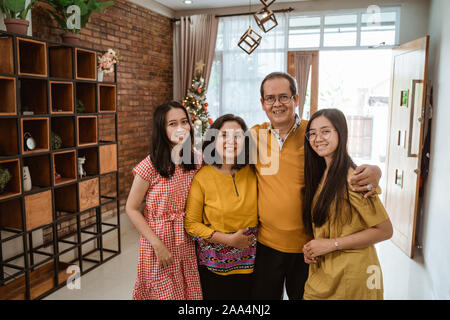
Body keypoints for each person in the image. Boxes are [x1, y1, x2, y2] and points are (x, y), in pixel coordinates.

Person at [250, 72, 383, 300]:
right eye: (270, 98)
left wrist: (375, 171)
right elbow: (219, 156)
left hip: (309, 247)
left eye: (284, 97)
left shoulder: (312, 134)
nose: (277, 104)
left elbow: (339, 162)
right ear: (262, 103)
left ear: (296, 99)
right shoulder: (254, 136)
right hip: (267, 245)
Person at [302, 108, 393, 299]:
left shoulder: (354, 179)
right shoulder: (320, 174)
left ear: (341, 133)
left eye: (325, 131)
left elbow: (385, 230)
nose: (318, 138)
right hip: (325, 271)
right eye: (312, 133)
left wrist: (331, 244)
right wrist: (312, 248)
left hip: (353, 275)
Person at [125, 101, 202, 300]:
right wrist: (157, 245)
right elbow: (131, 209)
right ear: (161, 128)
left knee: (186, 291)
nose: (181, 128)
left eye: (184, 122)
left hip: (186, 237)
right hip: (158, 240)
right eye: (172, 124)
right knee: (163, 293)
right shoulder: (149, 165)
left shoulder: (196, 160)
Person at [184, 114, 258, 300]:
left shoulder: (254, 171)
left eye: (238, 136)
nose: (231, 141)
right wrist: (229, 240)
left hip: (255, 262)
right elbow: (191, 224)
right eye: (224, 135)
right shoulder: (202, 177)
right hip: (215, 265)